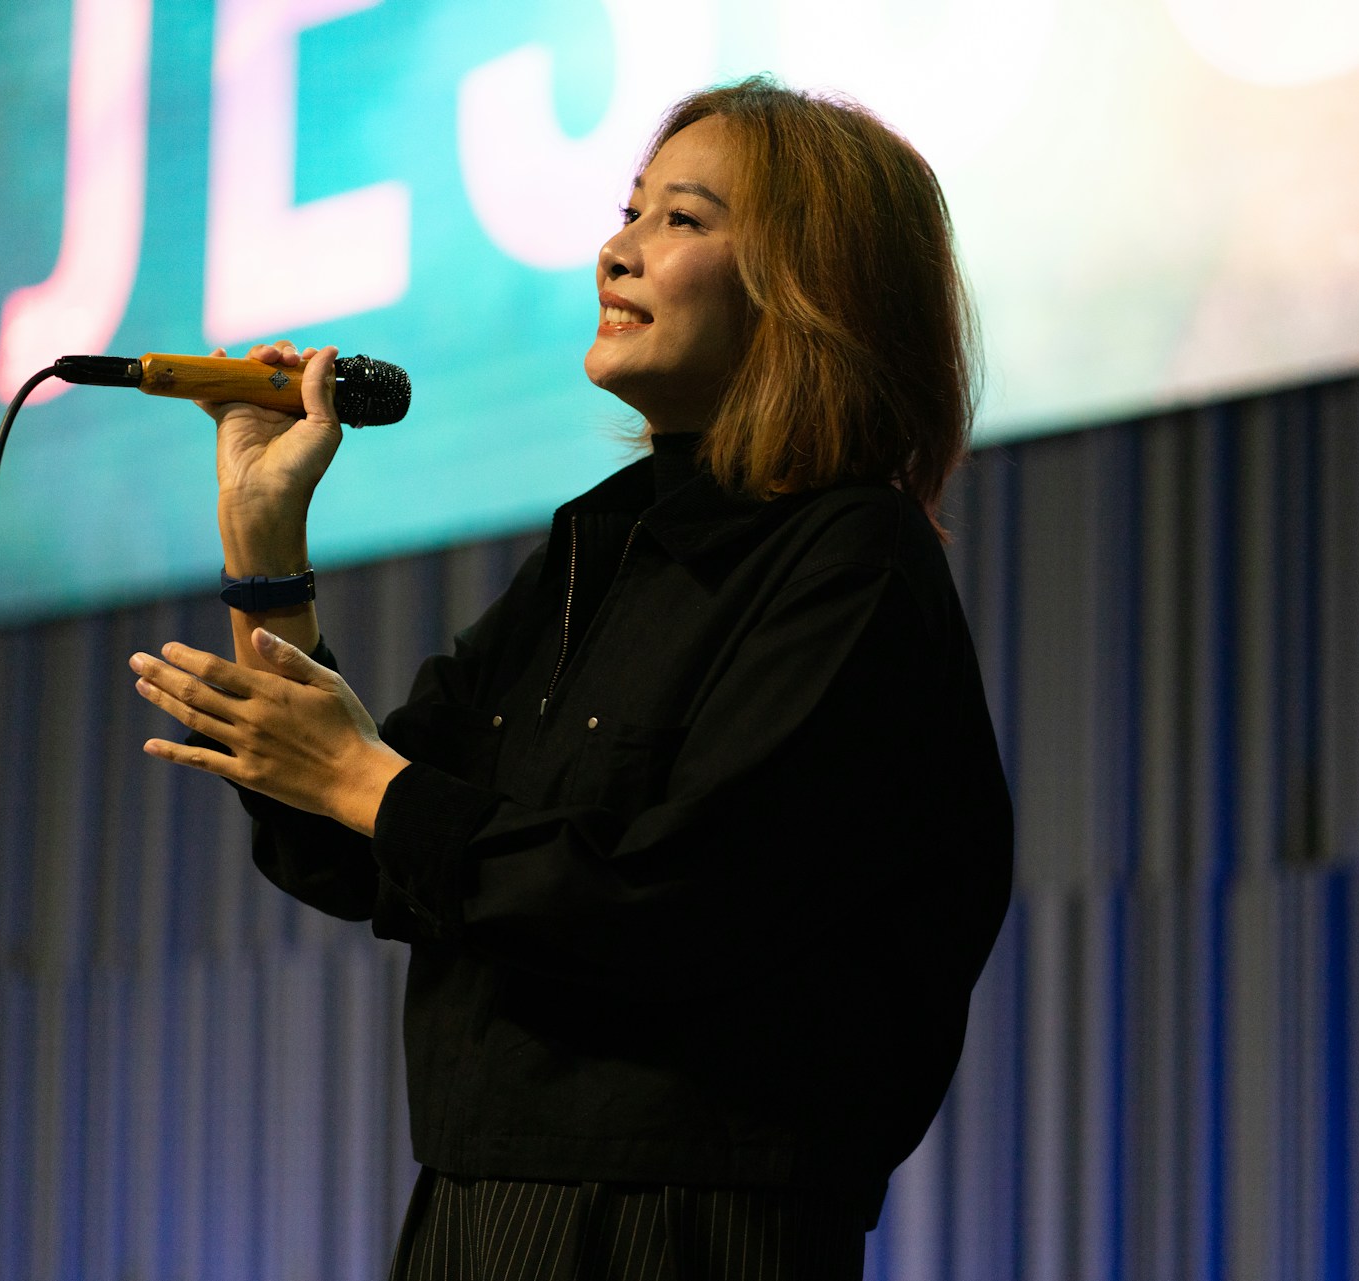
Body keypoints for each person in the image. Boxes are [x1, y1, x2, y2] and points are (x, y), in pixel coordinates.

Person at [129, 76, 1013, 1280]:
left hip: (682, 1223)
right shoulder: (594, 549)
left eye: (681, 221)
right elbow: (348, 849)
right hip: (473, 1201)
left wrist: (367, 783)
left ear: (815, 288)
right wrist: (265, 556)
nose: (616, 250)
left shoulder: (851, 562)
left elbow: (671, 907)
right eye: (629, 211)